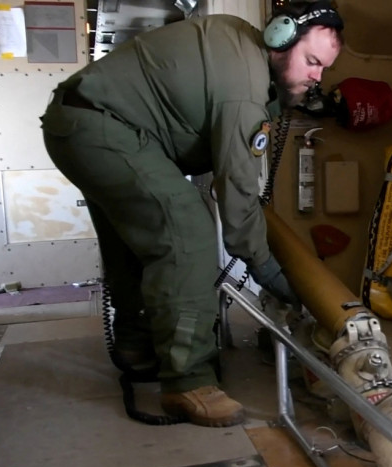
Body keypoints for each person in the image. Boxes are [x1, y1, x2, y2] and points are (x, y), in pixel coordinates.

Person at [40, 1, 344, 427]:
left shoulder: (239, 45)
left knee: (135, 241)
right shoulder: (244, 83)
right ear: (279, 40)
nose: (317, 76)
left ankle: (136, 346)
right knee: (188, 232)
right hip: (102, 129)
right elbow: (237, 196)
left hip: (81, 123)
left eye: (324, 68)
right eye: (312, 61)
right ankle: (187, 382)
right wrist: (271, 274)